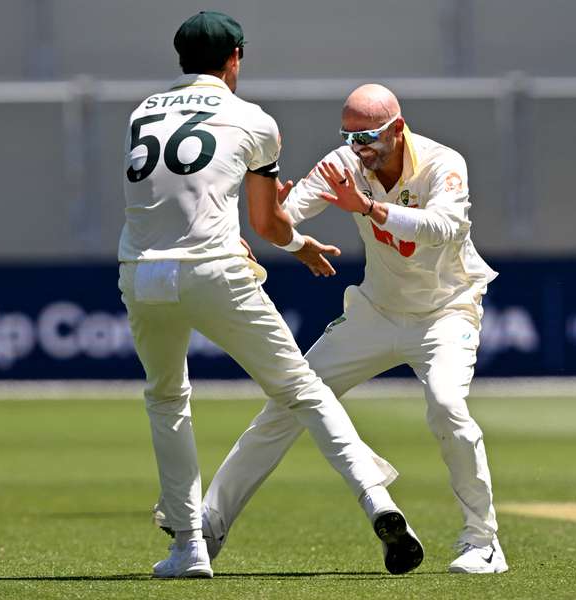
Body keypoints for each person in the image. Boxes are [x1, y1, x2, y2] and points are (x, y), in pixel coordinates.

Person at [117, 13, 423, 579]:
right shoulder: (254, 120)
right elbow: (268, 224)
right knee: (303, 391)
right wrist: (301, 243)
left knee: (166, 398)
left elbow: (172, 202)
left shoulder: (142, 112)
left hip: (141, 273)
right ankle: (378, 502)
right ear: (234, 57)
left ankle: (189, 547)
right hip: (213, 271)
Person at [201, 83, 508, 574]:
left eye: (368, 137)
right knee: (289, 398)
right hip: (374, 312)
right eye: (350, 136)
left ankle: (483, 541)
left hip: (446, 311)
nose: (358, 148)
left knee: (448, 406)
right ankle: (208, 526)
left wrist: (368, 208)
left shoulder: (443, 162)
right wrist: (276, 213)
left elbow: (443, 227)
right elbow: (288, 216)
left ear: (398, 129)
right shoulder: (344, 162)